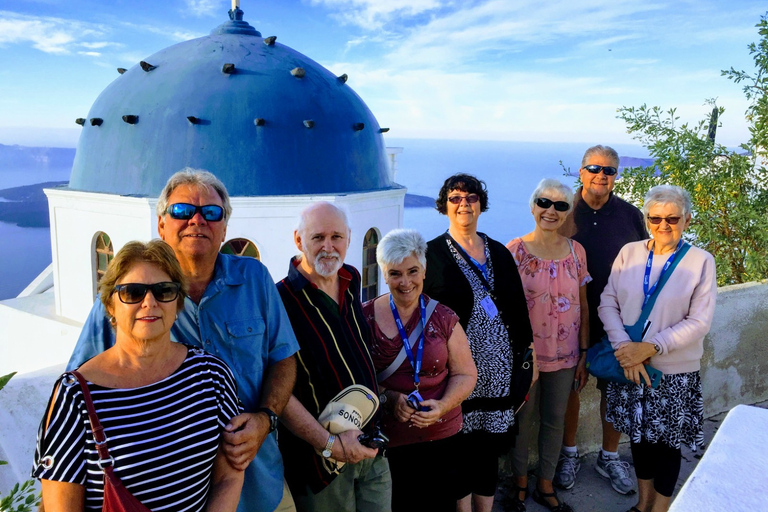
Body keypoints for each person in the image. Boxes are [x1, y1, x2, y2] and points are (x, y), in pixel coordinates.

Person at [66, 169, 299, 512]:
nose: (196, 220)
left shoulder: (255, 279)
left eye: (211, 212)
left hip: (257, 483)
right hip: (170, 494)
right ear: (161, 224)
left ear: (224, 228)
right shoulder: (129, 299)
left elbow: (283, 357)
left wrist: (265, 418)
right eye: (181, 211)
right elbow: (79, 386)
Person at [34, 240, 244, 511]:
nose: (149, 302)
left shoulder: (211, 375)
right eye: (132, 292)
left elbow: (229, 475)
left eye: (163, 291)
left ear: (177, 302)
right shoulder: (75, 395)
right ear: (110, 305)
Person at [600, 185, 716, 512]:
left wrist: (649, 348)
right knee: (640, 440)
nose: (663, 225)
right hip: (631, 366)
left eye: (672, 218)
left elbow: (699, 321)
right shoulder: (630, 253)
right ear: (646, 219)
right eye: (655, 218)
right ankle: (642, 505)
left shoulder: (700, 261)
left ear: (687, 220)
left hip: (672, 373)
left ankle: (659, 509)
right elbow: (607, 301)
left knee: (666, 447)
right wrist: (625, 348)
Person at [423, 173, 534, 512]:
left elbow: (518, 306)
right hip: (458, 373)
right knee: (459, 448)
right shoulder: (432, 254)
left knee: (487, 450)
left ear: (480, 205)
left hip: (500, 373)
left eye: (470, 198)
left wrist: (530, 356)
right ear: (445, 207)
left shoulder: (499, 252)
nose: (464, 204)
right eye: (455, 198)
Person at [277, 202, 392, 512]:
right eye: (318, 238)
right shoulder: (281, 301)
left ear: (349, 239)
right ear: (299, 241)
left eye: (336, 237)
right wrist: (329, 445)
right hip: (320, 463)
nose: (328, 247)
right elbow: (278, 392)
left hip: (372, 447)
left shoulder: (351, 280)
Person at [362, 228, 477, 512]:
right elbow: (353, 379)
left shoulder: (444, 318)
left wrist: (442, 405)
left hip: (440, 436)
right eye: (395, 273)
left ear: (424, 271)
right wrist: (389, 397)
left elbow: (466, 373)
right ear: (383, 274)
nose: (405, 282)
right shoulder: (363, 318)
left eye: (412, 271)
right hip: (386, 441)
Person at [555, 145, 647, 494]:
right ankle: (568, 454)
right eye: (594, 168)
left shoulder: (630, 215)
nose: (601, 175)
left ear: (615, 176)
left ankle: (609, 457)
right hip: (568, 319)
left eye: (608, 170)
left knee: (616, 389)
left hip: (618, 320)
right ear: (581, 172)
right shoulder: (562, 210)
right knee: (569, 389)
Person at [506, 179, 591, 512]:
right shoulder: (514, 251)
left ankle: (545, 484)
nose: (551, 211)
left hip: (566, 353)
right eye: (544, 202)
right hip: (526, 356)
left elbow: (583, 305)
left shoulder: (576, 252)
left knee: (555, 419)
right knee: (522, 421)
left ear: (567, 212)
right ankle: (519, 485)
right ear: (533, 206)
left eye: (560, 205)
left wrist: (584, 353)